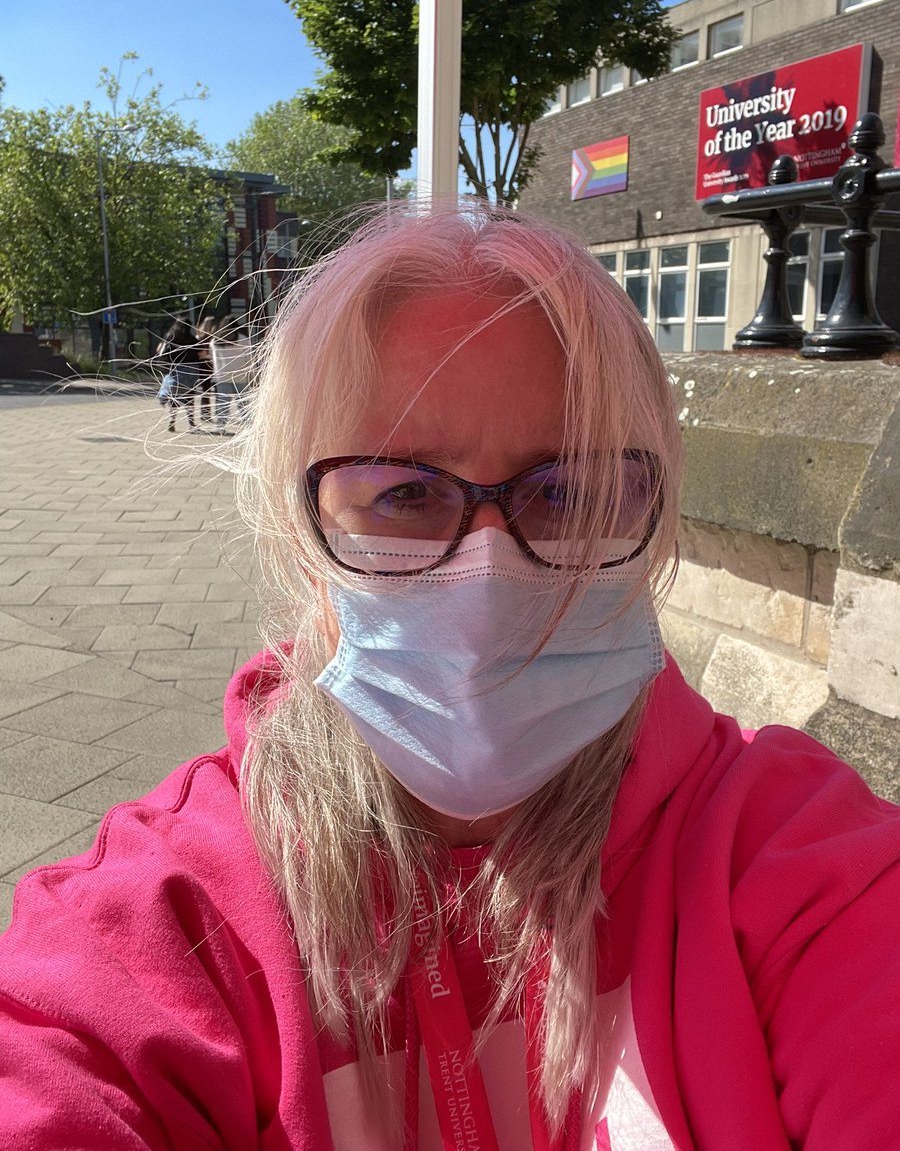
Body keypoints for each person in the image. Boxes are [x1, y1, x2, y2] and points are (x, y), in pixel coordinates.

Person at [1, 204, 899, 1150]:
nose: (486, 567)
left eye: (567, 492)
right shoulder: (156, 925)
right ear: (305, 537)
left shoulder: (798, 868)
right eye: (403, 492)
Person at [155, 318, 202, 433]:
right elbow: (201, 353)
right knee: (189, 397)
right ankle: (191, 424)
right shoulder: (192, 339)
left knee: (174, 396)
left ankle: (172, 419)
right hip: (191, 371)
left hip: (175, 369)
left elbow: (160, 349)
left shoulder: (170, 337)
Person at [211, 319, 253, 429]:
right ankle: (248, 425)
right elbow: (249, 358)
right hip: (240, 375)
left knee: (223, 403)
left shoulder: (215, 341)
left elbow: (213, 359)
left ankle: (220, 426)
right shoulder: (243, 340)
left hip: (222, 375)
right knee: (243, 403)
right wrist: (252, 373)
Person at [194, 315, 218, 424]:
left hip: (202, 364)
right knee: (212, 390)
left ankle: (205, 413)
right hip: (211, 364)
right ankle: (208, 413)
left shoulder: (198, 338)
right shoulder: (214, 338)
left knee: (206, 390)